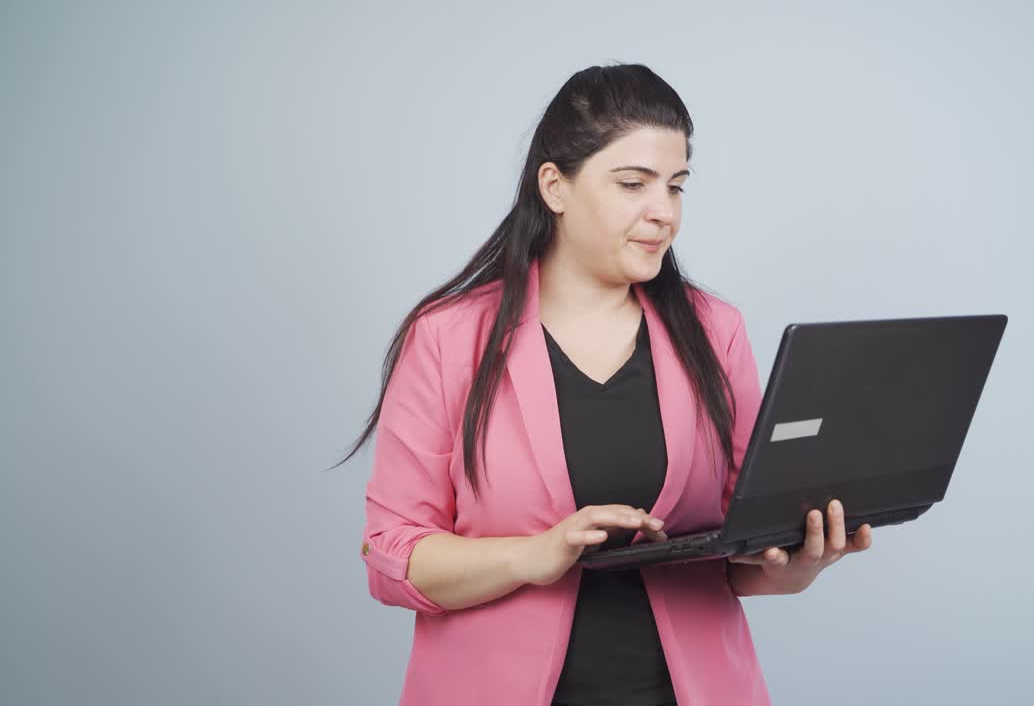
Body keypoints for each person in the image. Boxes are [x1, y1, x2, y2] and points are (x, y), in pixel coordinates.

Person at [337, 62, 873, 706]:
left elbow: (738, 553)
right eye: (633, 184)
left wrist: (800, 564)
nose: (663, 213)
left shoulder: (714, 330)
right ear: (554, 187)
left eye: (675, 187)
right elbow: (392, 554)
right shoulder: (450, 338)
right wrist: (533, 555)